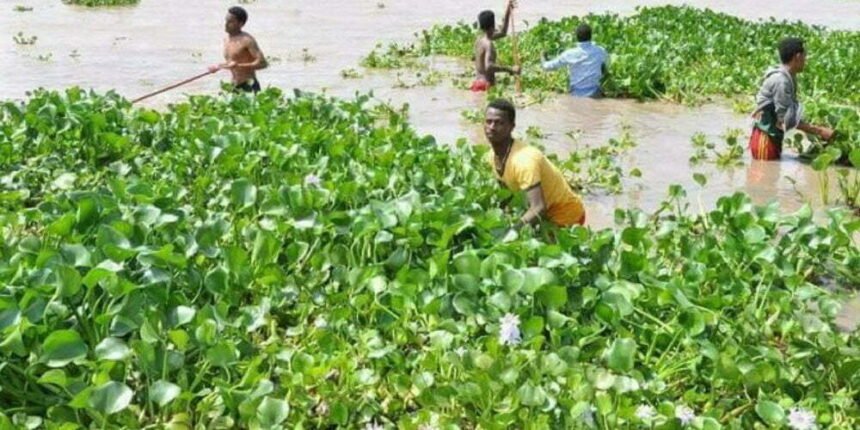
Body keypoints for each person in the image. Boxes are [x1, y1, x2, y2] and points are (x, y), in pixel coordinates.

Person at [484, 99, 586, 227]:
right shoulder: (491, 156)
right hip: (542, 214)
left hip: (566, 214)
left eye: (499, 123)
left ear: (511, 127)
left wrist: (512, 231)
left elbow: (538, 207)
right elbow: (506, 194)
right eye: (488, 122)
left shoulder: (524, 160)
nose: (492, 127)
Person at [750, 37, 834, 160]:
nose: (806, 61)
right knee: (766, 175)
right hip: (765, 140)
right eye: (805, 57)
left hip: (772, 138)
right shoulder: (781, 81)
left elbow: (791, 112)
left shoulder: (789, 77)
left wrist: (813, 126)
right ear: (798, 57)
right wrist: (820, 131)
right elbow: (785, 119)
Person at [208, 6, 268, 93]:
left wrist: (239, 66)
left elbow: (263, 63)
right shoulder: (226, 40)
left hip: (249, 85)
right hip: (234, 86)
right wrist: (218, 66)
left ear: (241, 24)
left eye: (230, 22)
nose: (226, 24)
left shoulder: (247, 40)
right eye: (226, 21)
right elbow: (232, 62)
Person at [540, 23, 609, 98]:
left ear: (577, 36)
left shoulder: (569, 54)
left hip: (576, 92)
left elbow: (546, 67)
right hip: (595, 92)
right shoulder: (600, 51)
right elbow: (607, 65)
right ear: (591, 36)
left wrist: (542, 56)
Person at [472, 2, 520, 92]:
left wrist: (508, 11)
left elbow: (503, 32)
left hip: (477, 83)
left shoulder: (479, 40)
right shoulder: (488, 44)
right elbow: (489, 67)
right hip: (486, 85)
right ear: (492, 26)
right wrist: (510, 69)